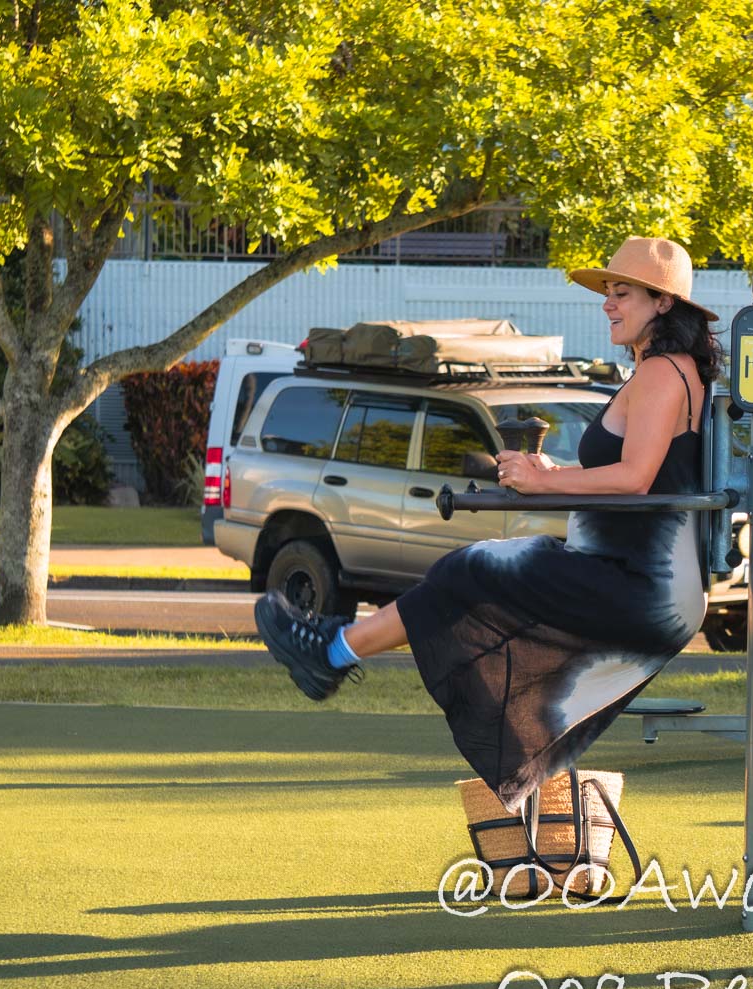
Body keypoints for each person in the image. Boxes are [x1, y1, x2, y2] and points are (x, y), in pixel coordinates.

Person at [253, 236, 719, 813]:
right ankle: (334, 651)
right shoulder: (670, 372)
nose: (608, 304)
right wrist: (553, 469)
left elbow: (635, 479)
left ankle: (331, 653)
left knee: (471, 569)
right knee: (468, 576)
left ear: (664, 304)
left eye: (621, 293)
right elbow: (639, 473)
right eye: (607, 292)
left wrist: (542, 483)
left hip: (638, 583)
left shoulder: (661, 374)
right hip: (636, 577)